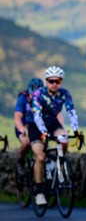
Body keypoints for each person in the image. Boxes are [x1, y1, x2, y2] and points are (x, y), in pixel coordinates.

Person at [28, 66, 79, 206]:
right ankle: (39, 192)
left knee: (64, 138)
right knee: (40, 156)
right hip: (35, 125)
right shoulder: (38, 94)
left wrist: (76, 130)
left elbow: (71, 111)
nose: (54, 84)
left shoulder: (64, 93)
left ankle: (58, 165)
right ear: (46, 81)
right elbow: (37, 116)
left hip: (52, 122)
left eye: (58, 81)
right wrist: (44, 132)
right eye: (51, 81)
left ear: (61, 81)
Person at [14, 78, 44, 177]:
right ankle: (20, 161)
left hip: (36, 128)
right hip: (22, 126)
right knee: (26, 142)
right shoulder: (23, 98)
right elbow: (17, 117)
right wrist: (21, 129)